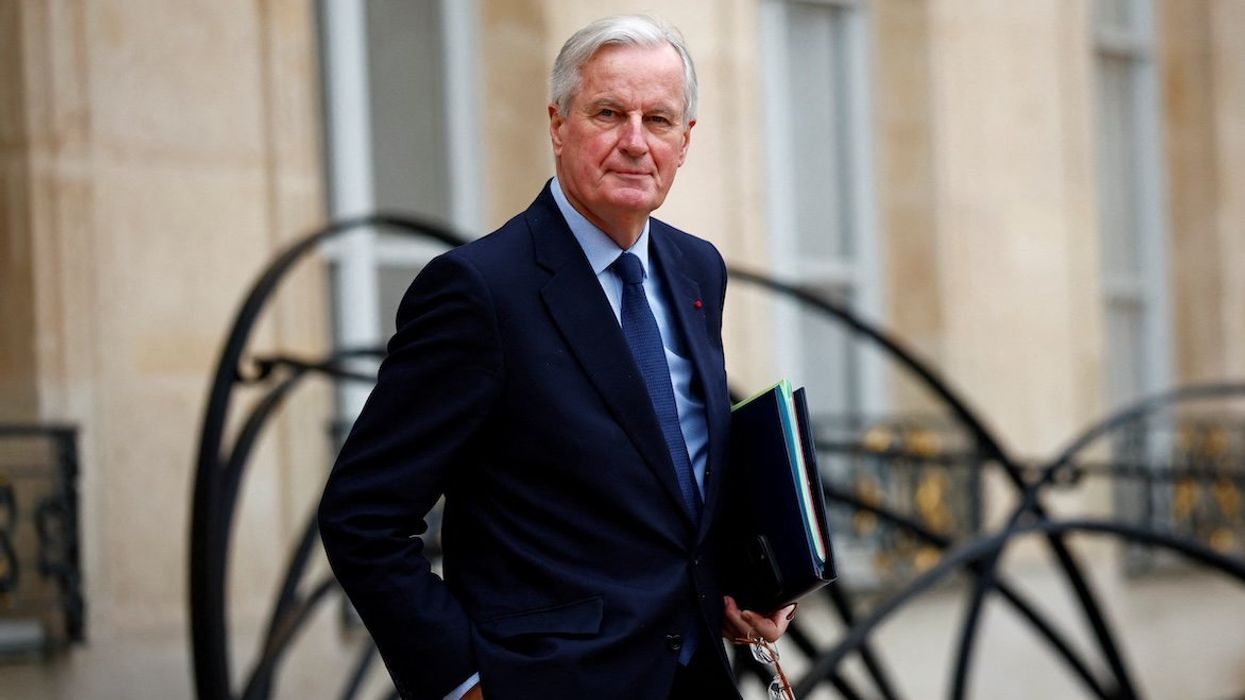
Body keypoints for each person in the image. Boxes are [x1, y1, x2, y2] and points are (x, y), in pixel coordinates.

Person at [318, 15, 794, 700]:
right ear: (557, 123)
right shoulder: (480, 289)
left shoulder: (697, 271)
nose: (634, 142)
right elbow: (362, 516)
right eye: (608, 113)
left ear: (684, 142)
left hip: (695, 679)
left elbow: (671, 479)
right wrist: (463, 683)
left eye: (658, 120)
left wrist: (751, 581)